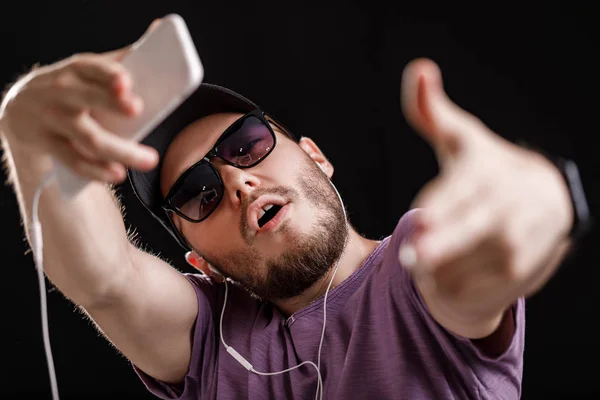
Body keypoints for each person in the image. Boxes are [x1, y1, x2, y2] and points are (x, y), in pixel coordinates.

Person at [0, 20, 589, 400]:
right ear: (198, 262)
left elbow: (470, 274)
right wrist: (27, 132)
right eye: (197, 192)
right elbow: (105, 278)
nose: (235, 181)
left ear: (316, 158)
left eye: (245, 145)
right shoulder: (212, 343)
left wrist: (547, 196)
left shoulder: (418, 263)